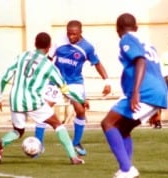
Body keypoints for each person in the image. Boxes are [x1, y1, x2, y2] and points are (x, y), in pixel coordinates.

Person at [0, 32, 85, 165]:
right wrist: (81, 100)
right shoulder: (49, 66)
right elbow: (65, 89)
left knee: (18, 130)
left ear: (35, 44)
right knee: (58, 125)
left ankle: (2, 144)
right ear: (49, 47)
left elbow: (4, 77)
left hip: (15, 99)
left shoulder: (22, 56)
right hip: (33, 101)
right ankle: (73, 157)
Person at [101, 13, 168, 178]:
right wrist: (156, 107)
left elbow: (140, 62)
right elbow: (160, 72)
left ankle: (127, 169)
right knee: (123, 128)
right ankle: (126, 168)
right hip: (158, 92)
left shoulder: (126, 39)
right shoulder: (148, 44)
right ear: (136, 27)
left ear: (117, 29)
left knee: (108, 123)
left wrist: (136, 92)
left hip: (145, 91)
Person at [34, 20, 111, 156]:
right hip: (57, 80)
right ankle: (37, 145)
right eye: (69, 34)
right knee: (43, 110)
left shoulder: (87, 47)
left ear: (80, 33)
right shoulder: (59, 42)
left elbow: (98, 64)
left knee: (80, 110)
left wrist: (107, 82)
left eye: (74, 34)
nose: (71, 37)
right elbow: (49, 59)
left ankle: (76, 142)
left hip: (74, 82)